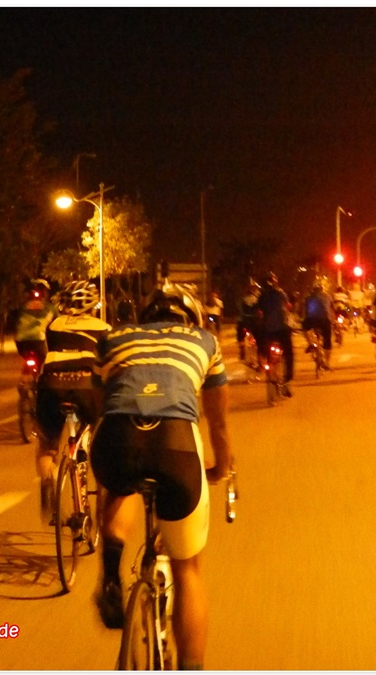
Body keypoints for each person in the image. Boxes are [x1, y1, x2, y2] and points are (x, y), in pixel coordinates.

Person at [90, 279, 232, 671]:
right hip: (176, 443)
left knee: (118, 487)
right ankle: (190, 666)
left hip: (117, 438)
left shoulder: (114, 338)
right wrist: (222, 466)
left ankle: (111, 571)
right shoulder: (205, 341)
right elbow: (218, 422)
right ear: (191, 317)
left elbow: (102, 405)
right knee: (187, 570)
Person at [35, 281, 111, 521]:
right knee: (103, 441)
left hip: (52, 386)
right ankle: (102, 500)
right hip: (87, 388)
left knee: (47, 444)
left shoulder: (53, 325)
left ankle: (48, 478)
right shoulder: (103, 327)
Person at [256, 272, 294, 384]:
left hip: (268, 330)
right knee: (288, 352)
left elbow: (259, 312)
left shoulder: (262, 296)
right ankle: (289, 375)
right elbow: (288, 306)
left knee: (262, 346)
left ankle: (264, 364)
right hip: (282, 329)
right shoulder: (280, 293)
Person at [14, 278, 57, 366]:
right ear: (45, 293)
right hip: (38, 341)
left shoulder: (22, 306)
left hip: (21, 342)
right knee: (44, 362)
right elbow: (57, 320)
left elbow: (16, 321)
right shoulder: (50, 307)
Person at [302, 281, 334, 370]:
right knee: (327, 341)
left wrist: (304, 319)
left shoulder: (308, 298)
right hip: (325, 320)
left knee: (304, 327)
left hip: (311, 320)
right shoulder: (327, 296)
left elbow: (305, 311)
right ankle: (327, 363)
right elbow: (331, 309)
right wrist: (332, 320)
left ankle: (310, 343)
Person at [236, 280, 261, 361]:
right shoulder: (255, 298)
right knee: (241, 333)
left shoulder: (246, 298)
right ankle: (243, 348)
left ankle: (243, 350)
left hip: (249, 320)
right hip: (251, 320)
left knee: (241, 334)